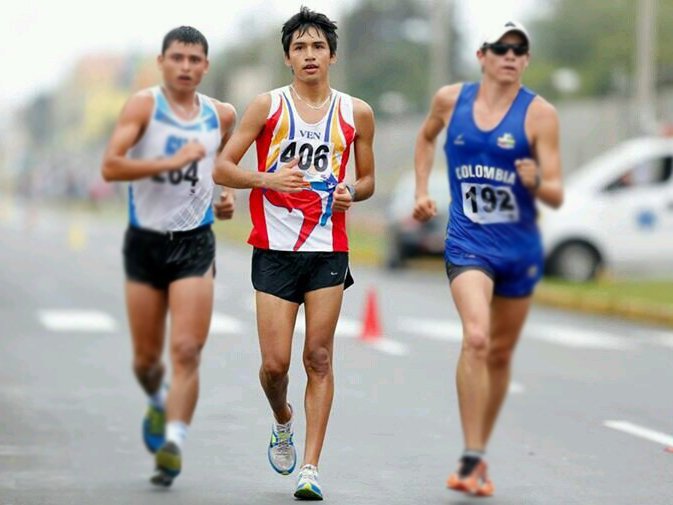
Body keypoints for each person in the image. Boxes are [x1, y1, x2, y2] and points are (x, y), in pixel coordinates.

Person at [212, 7, 375, 500]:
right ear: (288, 58)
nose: (309, 55)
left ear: (332, 55)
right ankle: (282, 417)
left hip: (328, 248)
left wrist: (352, 190)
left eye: (317, 47)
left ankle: (310, 468)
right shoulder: (267, 107)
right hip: (275, 249)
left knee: (319, 357)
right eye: (300, 48)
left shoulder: (356, 112)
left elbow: (368, 181)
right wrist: (266, 178)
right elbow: (222, 167)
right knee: (276, 365)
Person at [413, 20, 563, 497]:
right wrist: (421, 191)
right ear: (483, 55)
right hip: (468, 241)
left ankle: (478, 452)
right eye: (502, 48)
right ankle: (472, 455)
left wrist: (535, 180)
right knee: (476, 336)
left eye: (520, 51)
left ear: (526, 60)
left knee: (499, 352)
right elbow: (425, 138)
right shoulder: (449, 100)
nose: (510, 57)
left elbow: (557, 190)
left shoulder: (540, 115)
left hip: (519, 250)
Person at [100, 26, 236, 487]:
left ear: (206, 66)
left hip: (195, 243)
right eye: (177, 58)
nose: (185, 66)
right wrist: (168, 164)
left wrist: (221, 196)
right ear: (162, 62)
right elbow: (112, 165)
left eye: (194, 59)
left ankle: (173, 443)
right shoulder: (144, 106)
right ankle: (158, 401)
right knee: (145, 361)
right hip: (146, 242)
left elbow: (217, 165)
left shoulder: (221, 115)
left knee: (187, 349)